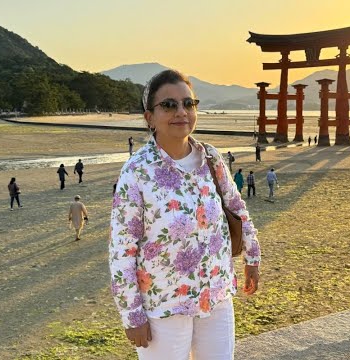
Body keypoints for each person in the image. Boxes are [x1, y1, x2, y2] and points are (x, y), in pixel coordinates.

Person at [109, 69, 261, 359]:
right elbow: (122, 248)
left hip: (215, 292)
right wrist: (132, 315)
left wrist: (252, 258)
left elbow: (237, 208)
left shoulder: (211, 157)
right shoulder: (137, 171)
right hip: (165, 302)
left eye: (188, 103)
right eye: (169, 105)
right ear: (149, 117)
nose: (181, 112)